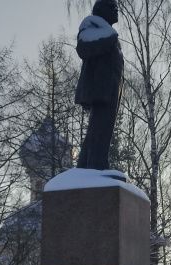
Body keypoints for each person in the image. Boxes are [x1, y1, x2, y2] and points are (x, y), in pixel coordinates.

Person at [74, 0, 123, 170]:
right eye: (113, 7)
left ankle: (86, 166)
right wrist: (110, 36)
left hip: (109, 90)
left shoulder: (107, 32)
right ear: (102, 9)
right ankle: (97, 165)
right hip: (99, 90)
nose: (116, 11)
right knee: (100, 129)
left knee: (99, 130)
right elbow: (83, 47)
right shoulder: (92, 25)